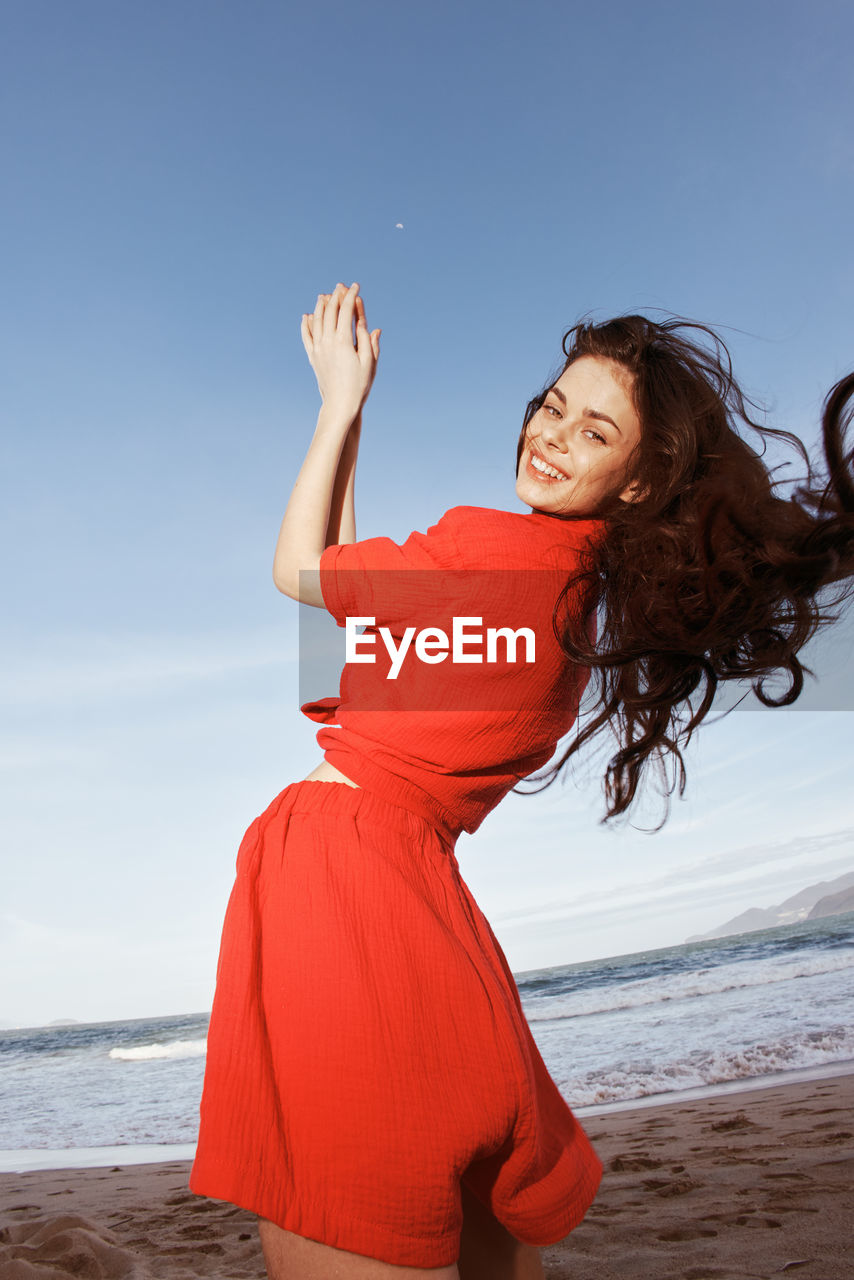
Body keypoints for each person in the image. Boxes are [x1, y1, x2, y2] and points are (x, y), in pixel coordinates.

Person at [189, 283, 854, 1279]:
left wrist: (334, 404)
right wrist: (356, 422)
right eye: (551, 405)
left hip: (339, 886)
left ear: (635, 482)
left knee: (342, 1201)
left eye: (591, 431)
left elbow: (300, 571)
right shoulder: (569, 610)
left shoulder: (486, 549)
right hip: (416, 899)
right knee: (470, 1229)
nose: (549, 435)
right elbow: (355, 621)